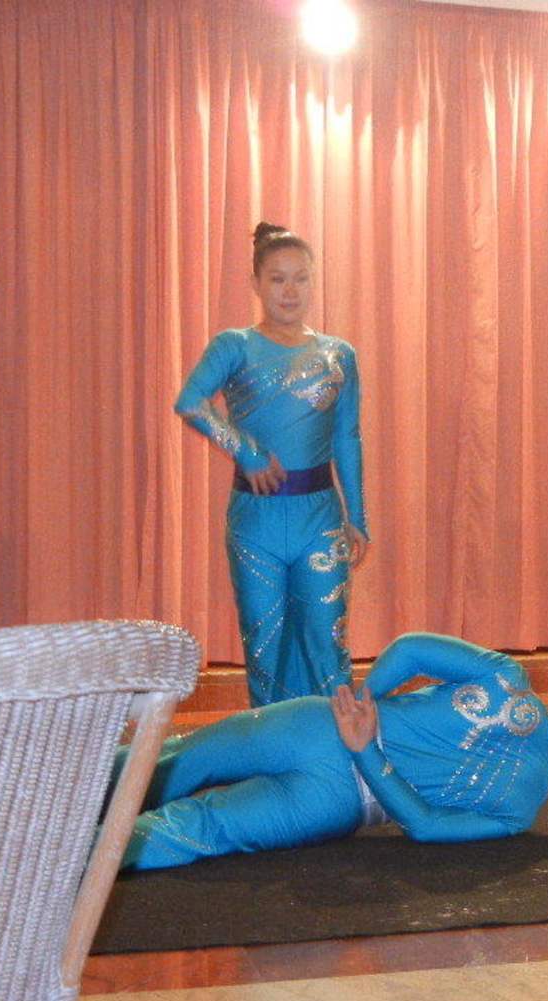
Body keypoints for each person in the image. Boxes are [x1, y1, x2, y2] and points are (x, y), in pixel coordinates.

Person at [118, 632, 548, 871]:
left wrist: (363, 706)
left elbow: (410, 648)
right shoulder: (520, 808)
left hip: (319, 727)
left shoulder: (506, 679)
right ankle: (70, 858)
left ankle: (69, 794)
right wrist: (368, 753)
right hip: (338, 803)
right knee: (199, 828)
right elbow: (425, 826)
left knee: (182, 759)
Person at [175, 223, 368, 707]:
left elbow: (347, 437)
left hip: (320, 519)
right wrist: (247, 452)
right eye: (278, 279)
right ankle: (272, 741)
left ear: (313, 282)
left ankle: (333, 740)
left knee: (327, 641)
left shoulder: (338, 355)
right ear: (256, 284)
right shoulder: (234, 345)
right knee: (264, 643)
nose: (290, 291)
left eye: (300, 278)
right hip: (255, 521)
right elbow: (190, 402)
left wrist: (358, 517)